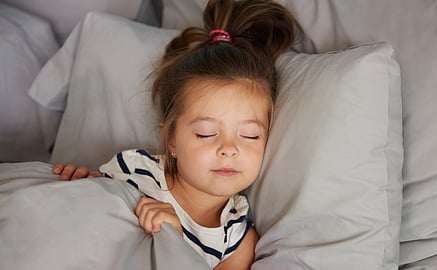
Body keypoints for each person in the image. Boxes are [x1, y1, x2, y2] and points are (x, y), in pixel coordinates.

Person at [53, 0, 301, 268]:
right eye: (206, 133)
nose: (229, 148)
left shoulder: (237, 240)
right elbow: (83, 231)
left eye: (250, 135)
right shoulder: (136, 171)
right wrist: (76, 185)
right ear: (171, 139)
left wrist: (175, 244)